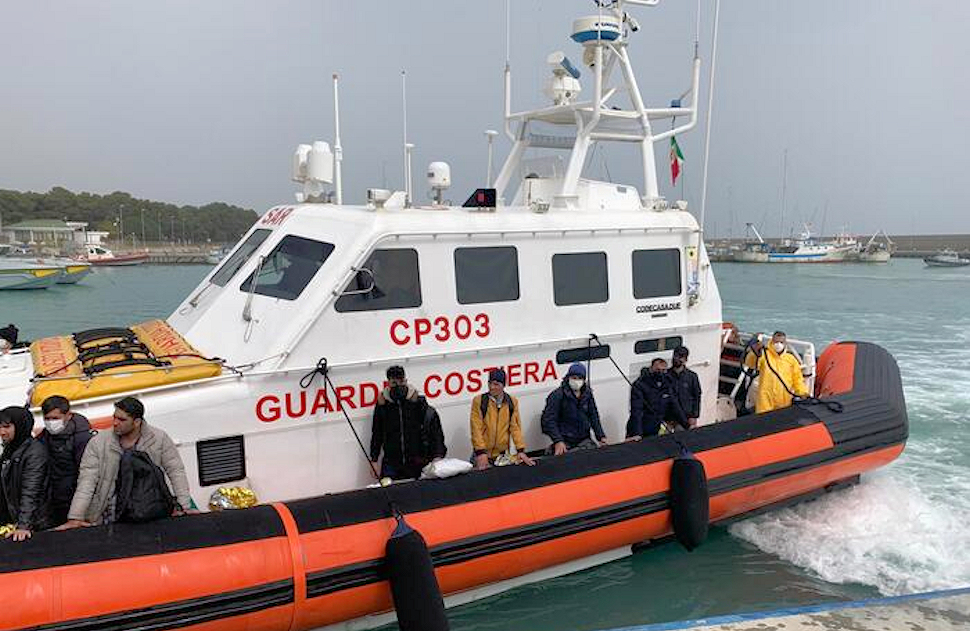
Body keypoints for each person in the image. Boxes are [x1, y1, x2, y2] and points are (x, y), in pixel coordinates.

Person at [60, 397, 193, 528]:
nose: (115, 423)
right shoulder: (98, 443)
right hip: (111, 515)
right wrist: (76, 517)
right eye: (114, 418)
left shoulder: (160, 438)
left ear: (137, 422)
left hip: (153, 512)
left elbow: (176, 471)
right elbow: (86, 481)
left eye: (122, 419)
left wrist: (184, 506)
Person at [369, 366, 447, 480]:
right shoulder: (382, 405)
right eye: (394, 383)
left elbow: (435, 432)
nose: (398, 386)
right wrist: (374, 460)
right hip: (391, 463)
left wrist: (438, 456)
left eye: (401, 382)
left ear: (405, 381)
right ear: (388, 383)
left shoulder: (419, 403)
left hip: (418, 463)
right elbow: (377, 433)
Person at [36, 396, 95, 525]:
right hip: (54, 501)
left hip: (76, 500)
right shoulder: (43, 438)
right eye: (47, 419)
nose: (51, 423)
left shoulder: (82, 438)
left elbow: (87, 474)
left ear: (68, 415)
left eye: (55, 418)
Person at [0, 406, 52, 541]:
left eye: (6, 427)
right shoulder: (10, 449)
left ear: (20, 426)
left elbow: (31, 491)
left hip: (35, 526)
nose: (2, 432)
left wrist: (23, 525)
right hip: (14, 521)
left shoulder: (34, 453)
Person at [470, 368, 536, 469]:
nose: (492, 387)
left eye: (496, 384)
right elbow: (476, 429)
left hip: (501, 455)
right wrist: (480, 452)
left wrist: (520, 450)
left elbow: (515, 428)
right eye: (490, 383)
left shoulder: (512, 402)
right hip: (482, 454)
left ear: (503, 385)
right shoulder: (479, 401)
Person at [541, 363, 607, 455]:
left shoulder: (587, 394)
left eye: (579, 378)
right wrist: (558, 440)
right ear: (568, 378)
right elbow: (548, 420)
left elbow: (593, 416)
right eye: (574, 378)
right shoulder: (557, 395)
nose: (576, 381)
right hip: (565, 440)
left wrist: (600, 436)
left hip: (584, 439)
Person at [626, 358, 689, 439]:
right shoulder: (639, 385)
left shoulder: (667, 383)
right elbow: (637, 411)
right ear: (651, 368)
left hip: (656, 428)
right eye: (658, 370)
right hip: (639, 427)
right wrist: (637, 433)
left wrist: (686, 424)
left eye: (663, 370)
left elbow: (675, 405)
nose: (660, 373)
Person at [754, 331, 808, 414]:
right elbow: (751, 363)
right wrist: (755, 352)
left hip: (784, 399)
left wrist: (802, 392)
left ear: (785, 343)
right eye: (776, 342)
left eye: (781, 342)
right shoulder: (764, 355)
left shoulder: (791, 359)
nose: (778, 344)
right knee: (763, 418)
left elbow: (797, 379)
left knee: (782, 418)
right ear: (772, 341)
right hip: (766, 398)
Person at [668, 346, 702, 428]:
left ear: (685, 359)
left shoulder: (692, 376)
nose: (676, 359)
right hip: (669, 418)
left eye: (680, 357)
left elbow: (697, 397)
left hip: (687, 417)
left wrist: (694, 415)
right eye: (675, 356)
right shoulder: (666, 375)